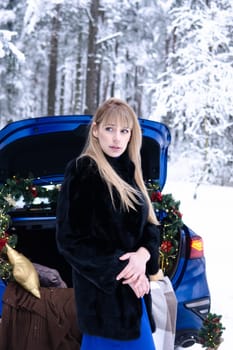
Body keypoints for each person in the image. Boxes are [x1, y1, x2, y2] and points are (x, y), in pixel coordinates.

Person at [56, 97, 161, 350]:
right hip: (103, 302)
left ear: (131, 135)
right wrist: (126, 270)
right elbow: (70, 240)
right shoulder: (83, 170)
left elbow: (150, 226)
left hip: (135, 297)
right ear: (96, 130)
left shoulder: (131, 171)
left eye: (124, 131)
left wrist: (143, 256)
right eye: (109, 129)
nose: (116, 138)